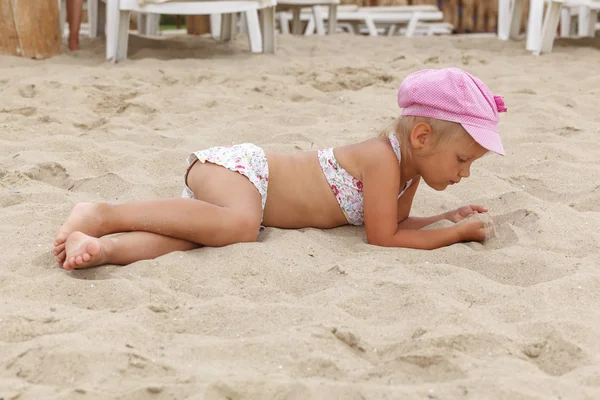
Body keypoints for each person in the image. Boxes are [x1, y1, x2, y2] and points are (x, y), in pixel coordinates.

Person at [53, 68, 507, 270]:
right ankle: (102, 213)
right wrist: (456, 235)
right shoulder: (382, 158)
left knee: (191, 240)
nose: (463, 172)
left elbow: (396, 223)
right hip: (243, 172)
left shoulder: (405, 172)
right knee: (241, 225)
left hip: (242, 193)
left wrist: (444, 217)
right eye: (462, 159)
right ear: (422, 138)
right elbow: (383, 239)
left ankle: (101, 247)